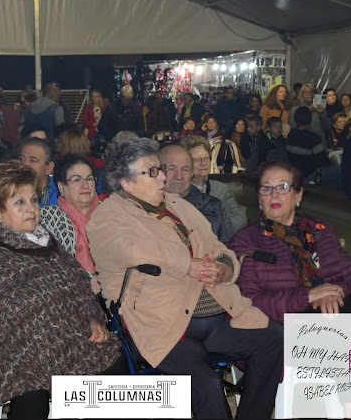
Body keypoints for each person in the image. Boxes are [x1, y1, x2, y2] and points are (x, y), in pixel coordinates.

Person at [87, 138, 282, 419]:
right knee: (206, 384)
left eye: (160, 169)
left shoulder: (177, 205)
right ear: (126, 183)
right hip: (162, 327)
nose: (163, 177)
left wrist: (224, 269)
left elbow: (217, 246)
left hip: (215, 318)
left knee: (273, 338)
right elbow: (131, 249)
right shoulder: (106, 217)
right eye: (152, 172)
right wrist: (185, 263)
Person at [0, 160, 121, 417]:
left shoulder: (43, 238)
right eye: (19, 202)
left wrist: (92, 319)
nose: (31, 208)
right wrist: (58, 333)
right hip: (3, 352)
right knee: (32, 391)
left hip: (62, 339)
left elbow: (77, 286)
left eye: (34, 200)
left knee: (115, 366)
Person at [229, 161, 351, 324]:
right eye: (266, 188)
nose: (274, 194)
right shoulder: (246, 240)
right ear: (259, 197)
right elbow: (248, 301)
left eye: (283, 187)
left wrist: (331, 293)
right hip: (285, 323)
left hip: (334, 312)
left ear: (298, 194)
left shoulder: (321, 232)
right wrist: (308, 296)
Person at [40, 154, 101, 292]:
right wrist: (87, 279)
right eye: (76, 180)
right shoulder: (48, 216)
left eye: (89, 179)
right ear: (61, 187)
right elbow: (48, 265)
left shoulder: (108, 212)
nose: (85, 185)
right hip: (65, 290)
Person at [161, 145, 235, 245]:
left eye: (185, 169)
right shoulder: (148, 208)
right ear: (158, 171)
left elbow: (230, 246)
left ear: (192, 174)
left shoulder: (213, 206)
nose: (179, 176)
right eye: (171, 168)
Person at [180, 136, 247, 231]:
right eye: (197, 159)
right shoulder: (180, 191)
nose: (204, 163)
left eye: (206, 158)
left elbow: (241, 217)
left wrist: (219, 229)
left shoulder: (221, 189)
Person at [285, 107, 341, 186]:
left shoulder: (291, 134)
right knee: (341, 169)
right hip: (310, 175)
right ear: (310, 120)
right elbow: (322, 161)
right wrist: (331, 162)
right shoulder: (313, 137)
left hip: (295, 173)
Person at [17, 136, 58, 207]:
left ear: (48, 168)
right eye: (21, 159)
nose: (24, 164)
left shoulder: (61, 191)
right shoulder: (9, 190)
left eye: (32, 160)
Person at [288, 84, 331, 148]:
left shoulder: (320, 109)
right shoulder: (294, 110)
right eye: (306, 92)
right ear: (302, 94)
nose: (309, 94)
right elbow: (294, 126)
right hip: (302, 144)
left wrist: (323, 114)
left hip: (319, 144)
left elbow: (327, 126)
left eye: (312, 92)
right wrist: (306, 110)